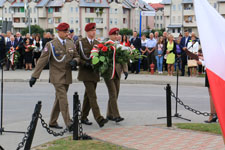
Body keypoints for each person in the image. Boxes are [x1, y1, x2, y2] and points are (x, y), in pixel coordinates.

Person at [29, 22, 80, 130]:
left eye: (68, 31)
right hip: (56, 76)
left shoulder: (70, 43)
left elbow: (77, 56)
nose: (67, 34)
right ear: (59, 32)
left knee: (59, 99)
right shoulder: (51, 44)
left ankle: (52, 121)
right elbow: (42, 61)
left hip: (67, 76)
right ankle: (69, 123)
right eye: (65, 32)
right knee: (63, 99)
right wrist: (34, 76)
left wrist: (75, 61)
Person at [76, 23, 108, 128]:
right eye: (92, 31)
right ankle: (99, 118)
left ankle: (83, 117)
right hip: (85, 73)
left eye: (95, 30)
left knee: (88, 96)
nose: (94, 32)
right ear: (87, 32)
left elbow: (101, 57)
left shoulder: (97, 43)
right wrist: (85, 63)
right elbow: (76, 56)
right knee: (93, 96)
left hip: (94, 73)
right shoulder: (80, 43)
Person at [104, 28, 128, 123]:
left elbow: (123, 58)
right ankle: (116, 115)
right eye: (114, 34)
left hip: (117, 73)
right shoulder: (106, 45)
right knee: (113, 94)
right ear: (110, 35)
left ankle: (109, 114)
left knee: (116, 93)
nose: (116, 36)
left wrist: (125, 70)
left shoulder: (118, 45)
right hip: (109, 73)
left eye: (117, 34)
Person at [196, 57, 217, 123]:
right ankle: (216, 114)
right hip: (215, 71)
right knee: (215, 95)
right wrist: (201, 57)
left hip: (211, 71)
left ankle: (212, 115)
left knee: (212, 95)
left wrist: (200, 61)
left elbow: (210, 60)